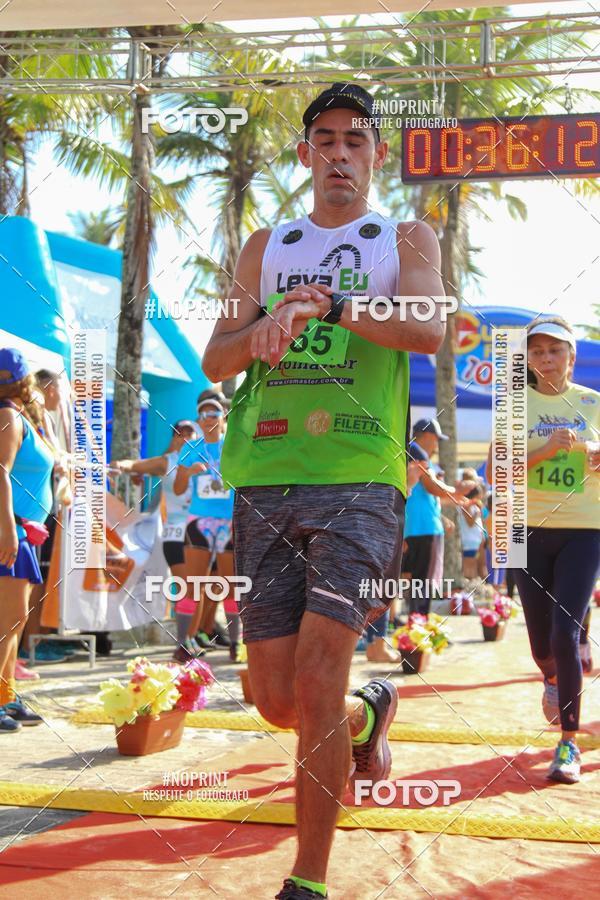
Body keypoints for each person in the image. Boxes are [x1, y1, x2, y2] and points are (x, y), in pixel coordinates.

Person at [202, 82, 446, 900]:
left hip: (361, 477)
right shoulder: (264, 245)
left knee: (315, 676)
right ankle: (368, 716)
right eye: (327, 141)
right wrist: (264, 326)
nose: (341, 154)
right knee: (276, 699)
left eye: (356, 141)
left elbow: (426, 328)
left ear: (377, 154)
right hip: (266, 476)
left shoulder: (404, 236)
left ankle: (307, 880)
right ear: (306, 154)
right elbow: (215, 358)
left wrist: (334, 305)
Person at [487, 316, 600, 784]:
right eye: (537, 351)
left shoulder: (593, 402)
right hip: (522, 528)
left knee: (564, 633)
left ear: (571, 357)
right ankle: (552, 677)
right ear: (527, 359)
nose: (546, 358)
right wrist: (545, 450)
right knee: (541, 646)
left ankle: (568, 743)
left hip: (584, 528)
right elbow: (495, 472)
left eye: (555, 350)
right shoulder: (514, 404)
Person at [0, 349, 54, 731]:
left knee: (16, 620)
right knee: (9, 621)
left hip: (23, 531)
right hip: (12, 531)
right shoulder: (7, 415)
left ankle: (6, 694)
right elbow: (0, 471)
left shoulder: (19, 415)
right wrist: (7, 529)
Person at [114, 418, 199, 661]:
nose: (187, 437)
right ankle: (183, 643)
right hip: (174, 532)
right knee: (186, 585)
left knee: (199, 587)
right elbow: (133, 465)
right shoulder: (166, 461)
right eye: (182, 433)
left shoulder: (203, 460)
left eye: (191, 433)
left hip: (200, 530)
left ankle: (191, 638)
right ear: (174, 436)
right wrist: (123, 467)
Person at [174, 397, 239, 661]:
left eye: (214, 413)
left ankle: (236, 644)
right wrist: (188, 473)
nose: (208, 418)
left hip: (229, 522)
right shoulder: (190, 448)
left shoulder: (234, 447)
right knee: (193, 584)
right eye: (203, 415)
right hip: (199, 522)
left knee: (229, 585)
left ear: (224, 418)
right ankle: (183, 644)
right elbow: (178, 488)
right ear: (199, 422)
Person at [404, 418, 475, 615]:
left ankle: (415, 623)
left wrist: (455, 498)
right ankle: (419, 625)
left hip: (414, 527)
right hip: (425, 528)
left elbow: (428, 495)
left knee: (414, 581)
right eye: (436, 440)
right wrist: (457, 490)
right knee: (424, 582)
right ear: (428, 436)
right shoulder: (416, 451)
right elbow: (433, 487)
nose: (436, 446)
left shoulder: (410, 450)